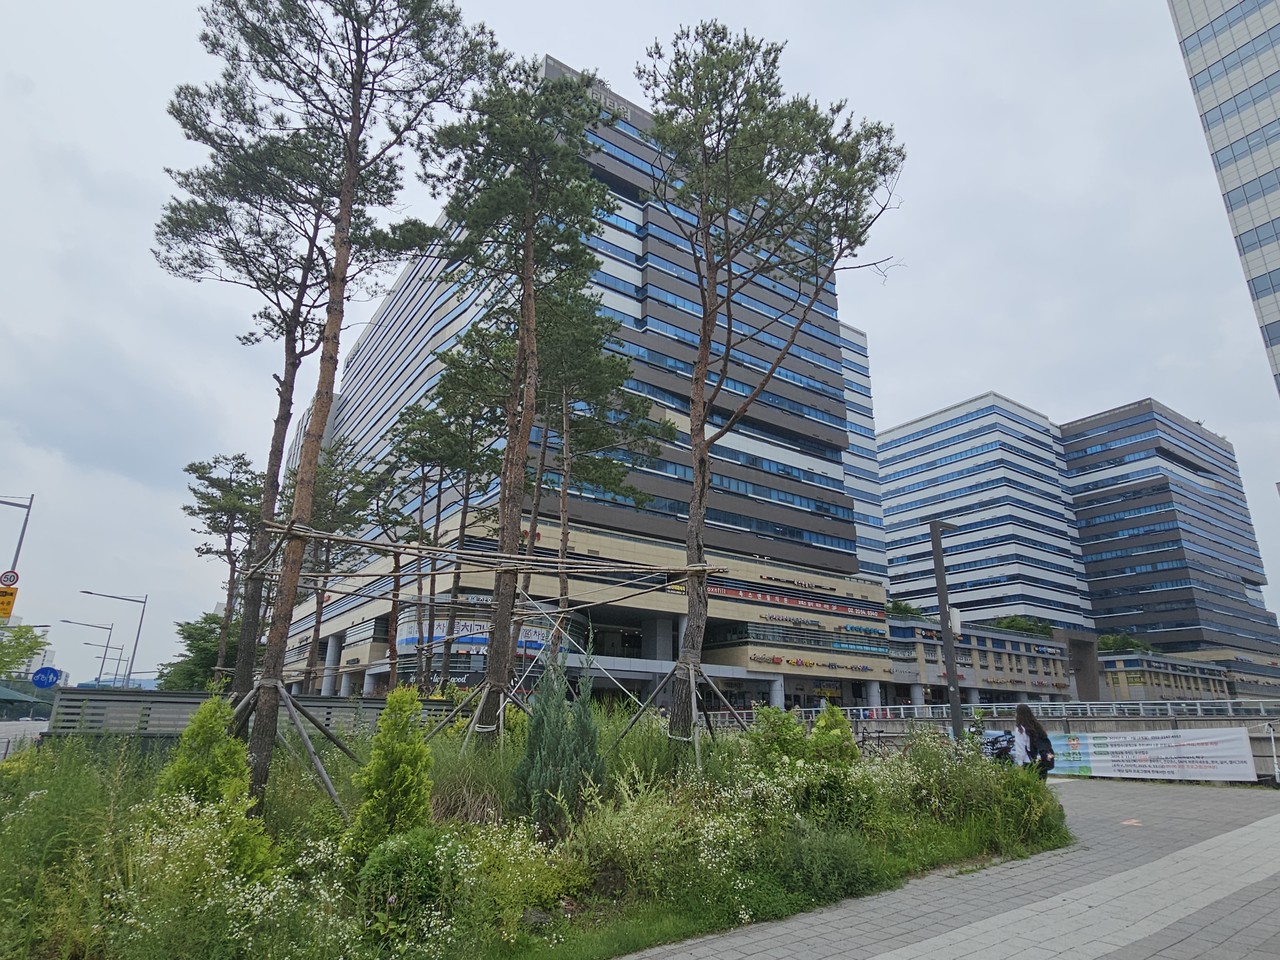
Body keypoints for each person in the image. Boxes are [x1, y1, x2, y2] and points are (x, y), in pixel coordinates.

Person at [1013, 703, 1054, 780]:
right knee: (1041, 783)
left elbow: (1020, 749)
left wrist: (1020, 764)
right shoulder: (1037, 726)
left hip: (1029, 762)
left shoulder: (1020, 729)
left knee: (1031, 785)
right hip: (1042, 760)